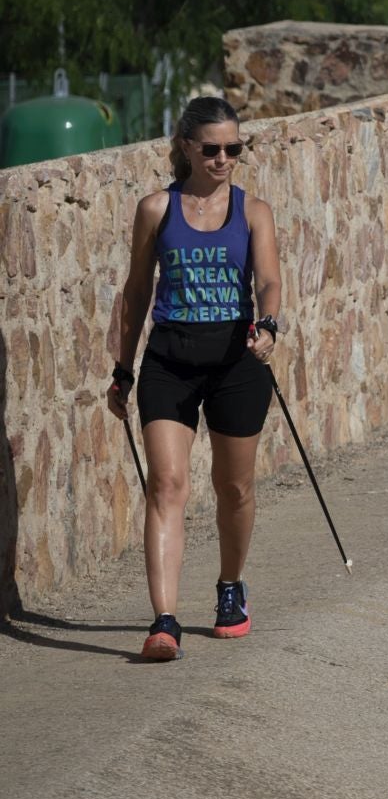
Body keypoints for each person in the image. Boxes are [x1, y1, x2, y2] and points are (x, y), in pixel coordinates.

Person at [107, 96, 284, 661]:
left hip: (237, 360)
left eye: (234, 148)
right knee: (167, 485)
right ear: (185, 147)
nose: (224, 158)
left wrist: (270, 325)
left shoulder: (252, 210)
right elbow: (135, 294)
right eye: (212, 149)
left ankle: (231, 586)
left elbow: (270, 281)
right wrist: (122, 369)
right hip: (170, 360)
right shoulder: (156, 209)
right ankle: (164, 621)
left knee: (234, 488)